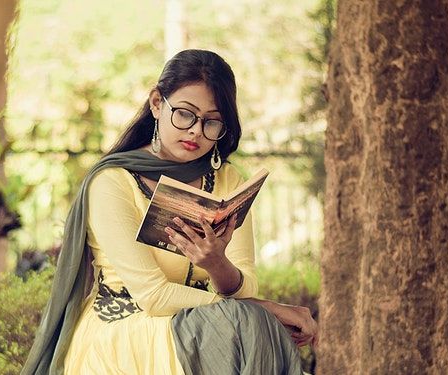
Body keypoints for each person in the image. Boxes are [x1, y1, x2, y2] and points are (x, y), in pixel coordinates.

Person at [21, 49, 318, 375]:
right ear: (157, 104)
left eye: (212, 122)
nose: (195, 131)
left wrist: (217, 264)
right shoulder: (113, 182)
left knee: (246, 325)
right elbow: (153, 296)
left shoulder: (227, 180)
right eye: (185, 114)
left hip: (208, 329)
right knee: (249, 323)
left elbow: (245, 287)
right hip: (126, 332)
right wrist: (264, 309)